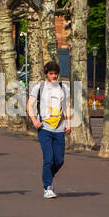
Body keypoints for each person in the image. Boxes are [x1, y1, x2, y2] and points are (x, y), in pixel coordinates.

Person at [27, 60, 71, 199]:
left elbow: (67, 106)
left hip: (59, 129)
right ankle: (48, 187)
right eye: (51, 73)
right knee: (48, 159)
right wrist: (34, 120)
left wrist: (69, 123)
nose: (54, 76)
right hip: (44, 128)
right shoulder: (39, 87)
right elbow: (29, 105)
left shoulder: (64, 88)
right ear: (46, 74)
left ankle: (48, 175)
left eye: (56, 74)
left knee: (59, 161)